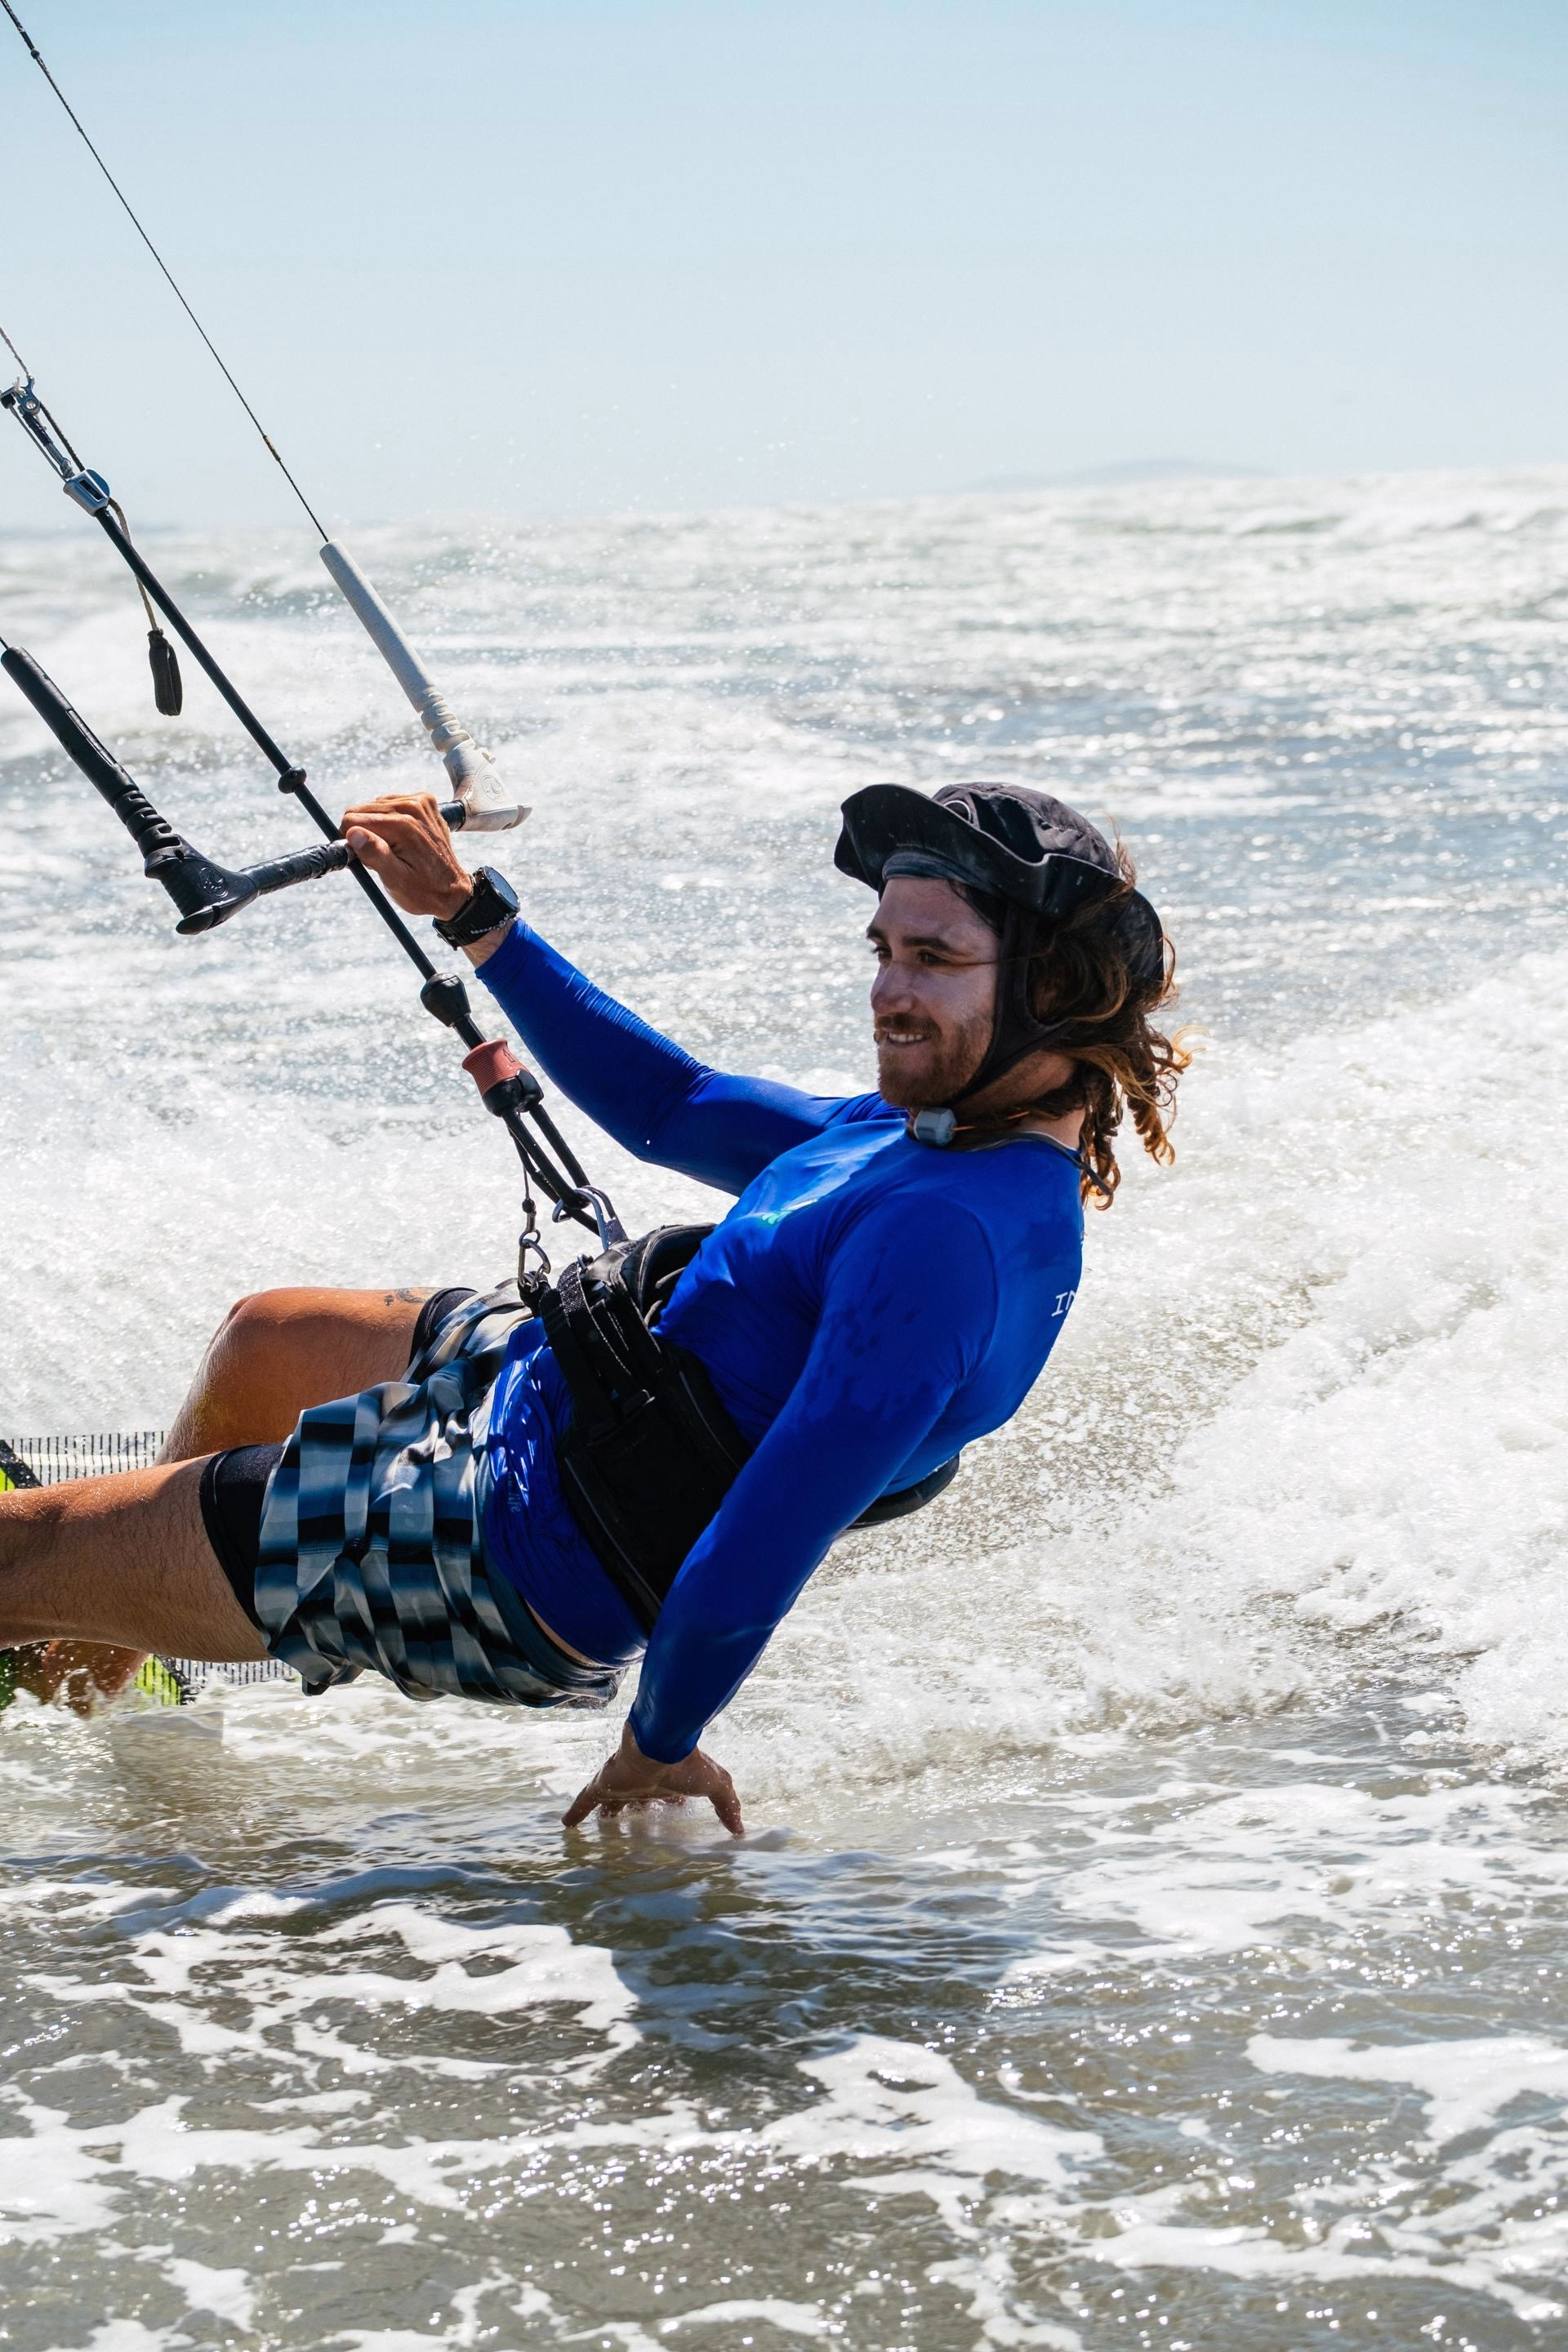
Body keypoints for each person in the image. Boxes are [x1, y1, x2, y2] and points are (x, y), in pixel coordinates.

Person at [0, 782, 1187, 1829]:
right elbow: (672, 1104)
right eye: (881, 947)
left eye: (932, 959)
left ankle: (87, 1587)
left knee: (17, 1555)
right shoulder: (916, 1137)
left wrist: (656, 1748)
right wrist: (472, 915)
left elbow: (766, 1538)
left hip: (500, 1547)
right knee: (269, 1335)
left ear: (1053, 990)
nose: (886, 988)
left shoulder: (950, 1242)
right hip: (549, 1388)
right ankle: (107, 1654)